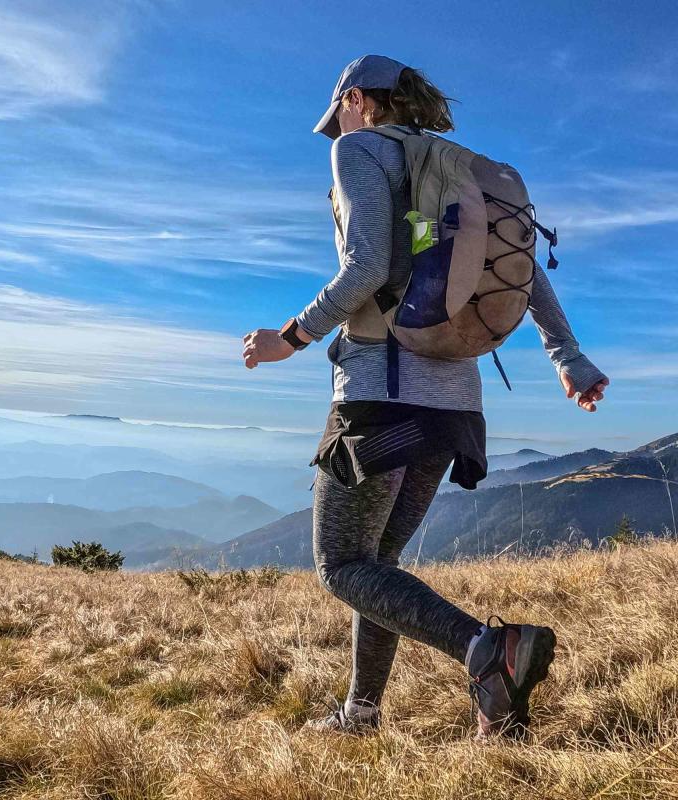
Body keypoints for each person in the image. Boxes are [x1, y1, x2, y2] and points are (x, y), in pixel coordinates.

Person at [241, 54, 608, 739]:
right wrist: (568, 354)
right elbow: (524, 271)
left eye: (339, 117)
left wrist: (288, 338)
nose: (337, 131)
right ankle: (366, 713)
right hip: (454, 406)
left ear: (356, 99)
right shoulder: (460, 164)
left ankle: (484, 650)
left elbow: (367, 265)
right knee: (377, 566)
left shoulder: (360, 150)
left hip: (383, 393)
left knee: (344, 563)